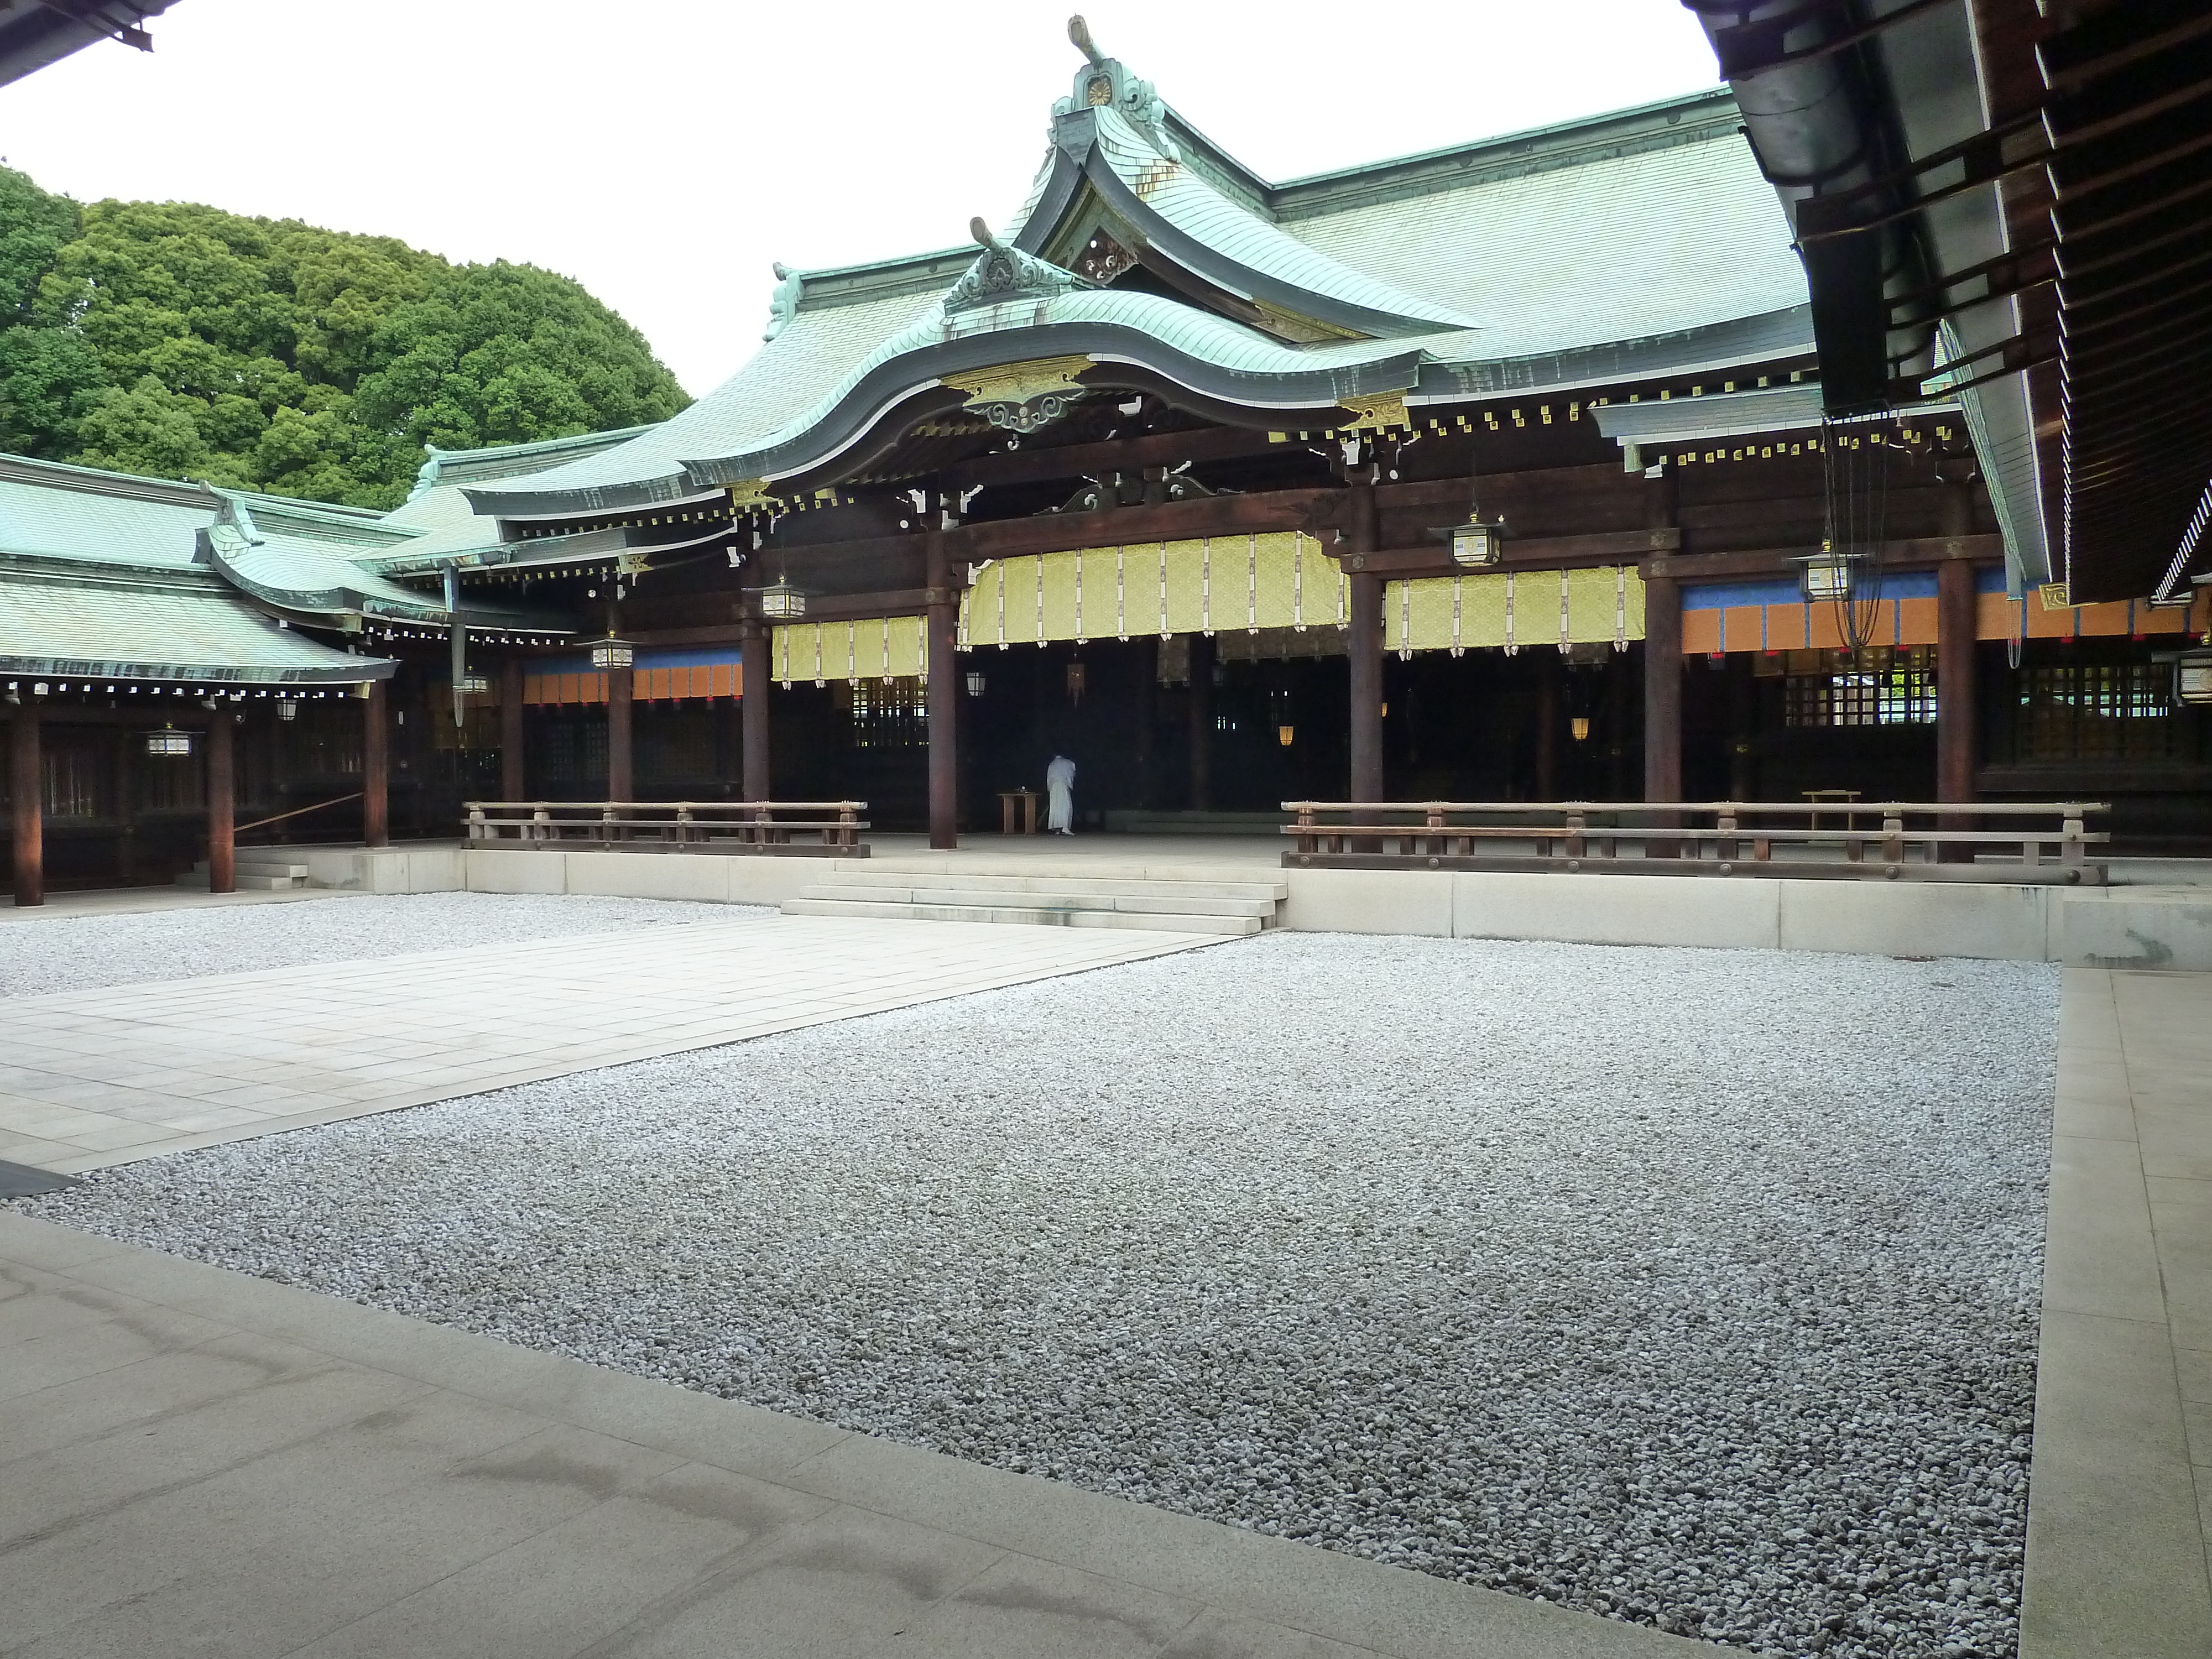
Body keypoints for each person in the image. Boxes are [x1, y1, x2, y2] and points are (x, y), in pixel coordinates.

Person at [1045, 753, 1076, 834]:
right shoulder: (1067, 762)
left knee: (1055, 806)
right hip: (1062, 785)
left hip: (1054, 787)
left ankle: (1057, 829)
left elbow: (1048, 778)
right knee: (1065, 806)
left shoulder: (1052, 764)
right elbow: (1071, 771)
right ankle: (1065, 827)